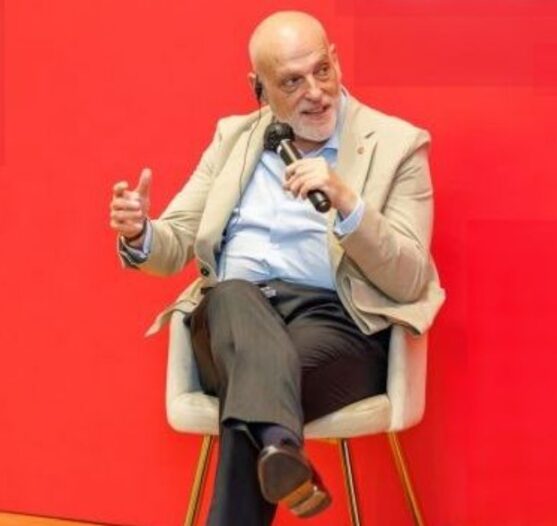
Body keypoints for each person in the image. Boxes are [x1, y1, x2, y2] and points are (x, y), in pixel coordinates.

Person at [109, 10, 444, 526]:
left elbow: (410, 278)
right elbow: (173, 244)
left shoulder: (397, 145)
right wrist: (139, 233)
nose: (316, 93)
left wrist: (348, 204)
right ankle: (280, 451)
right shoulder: (232, 139)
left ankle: (277, 445)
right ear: (258, 88)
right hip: (232, 321)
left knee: (253, 395)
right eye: (292, 81)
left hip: (334, 326)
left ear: (336, 60)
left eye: (322, 70)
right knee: (232, 294)